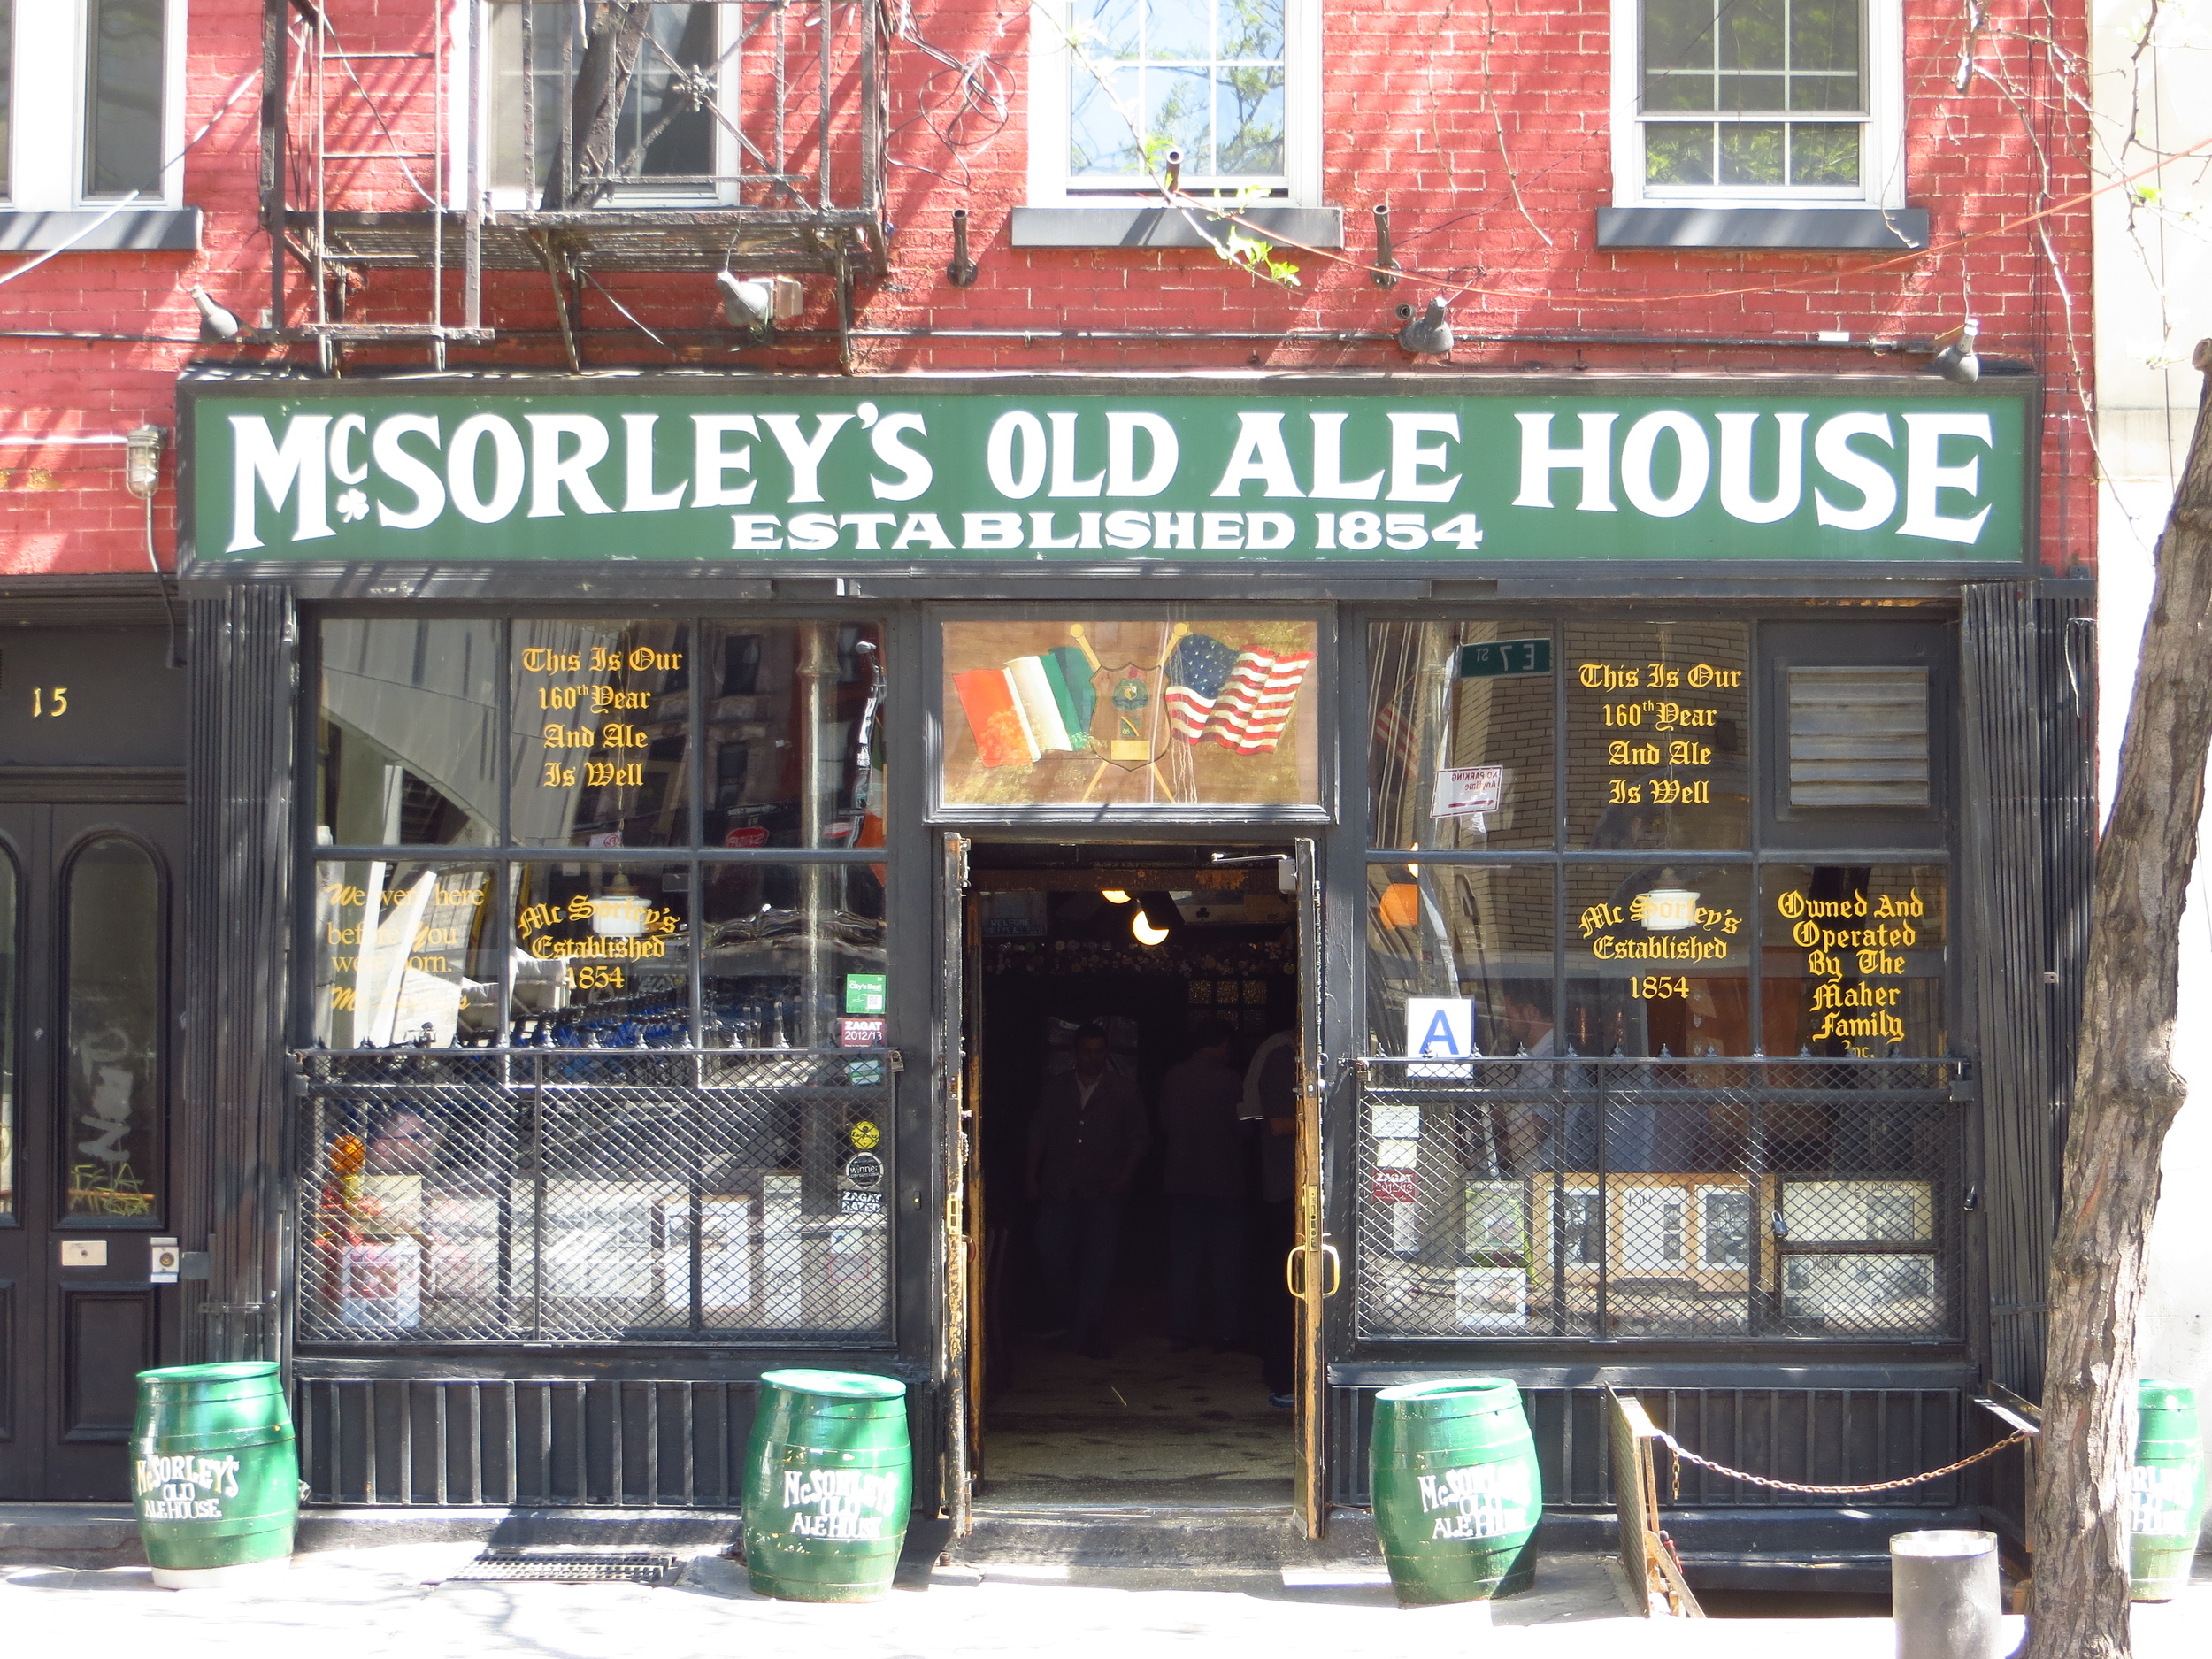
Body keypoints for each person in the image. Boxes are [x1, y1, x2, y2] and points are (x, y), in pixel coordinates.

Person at [1026, 1024, 1149, 1359]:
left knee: (1099, 1265)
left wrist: (1124, 1178)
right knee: (1051, 1256)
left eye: (1099, 1051)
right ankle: (1071, 1322)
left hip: (1104, 1189)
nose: (1093, 1057)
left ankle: (1085, 1333)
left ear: (1107, 1053)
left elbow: (1138, 1140)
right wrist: (1031, 1176)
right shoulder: (1055, 1089)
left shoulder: (1125, 1090)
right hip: (1059, 1187)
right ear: (1074, 1053)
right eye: (1087, 1050)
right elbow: (1038, 1133)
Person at [1158, 1019, 1249, 1352]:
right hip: (1223, 1182)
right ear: (1223, 1044)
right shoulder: (1229, 1080)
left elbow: (1165, 1123)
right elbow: (1242, 1128)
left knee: (1185, 1260)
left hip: (1182, 1181)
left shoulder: (1174, 1076)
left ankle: (1182, 1330)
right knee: (1226, 1261)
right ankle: (1228, 1331)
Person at [1251, 1027, 1301, 1408]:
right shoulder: (1284, 1057)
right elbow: (1279, 1122)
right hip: (1289, 1190)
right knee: (1286, 1285)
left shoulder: (1289, 1055)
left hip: (1295, 1191)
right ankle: (1283, 1378)